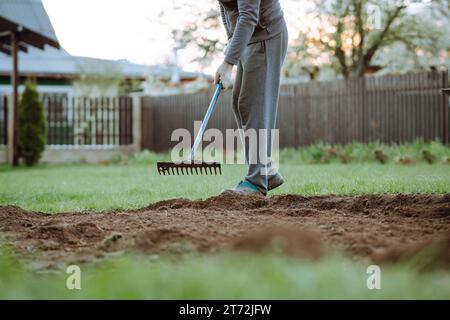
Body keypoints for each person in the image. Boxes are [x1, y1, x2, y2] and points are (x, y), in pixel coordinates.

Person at [215, 0, 288, 196]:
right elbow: (225, 6)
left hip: (266, 35)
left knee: (253, 106)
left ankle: (256, 182)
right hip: (250, 38)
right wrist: (231, 39)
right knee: (240, 103)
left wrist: (227, 63)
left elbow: (248, 16)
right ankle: (266, 171)